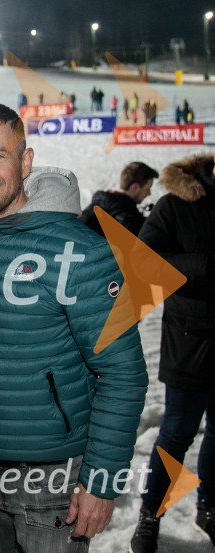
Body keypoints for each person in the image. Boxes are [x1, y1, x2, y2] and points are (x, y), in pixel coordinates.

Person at [0, 103, 148, 553]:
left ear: (26, 161)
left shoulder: (80, 252)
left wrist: (101, 482)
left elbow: (124, 373)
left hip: (53, 477)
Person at [129, 152, 215, 553]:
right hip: (190, 339)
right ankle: (150, 515)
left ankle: (209, 507)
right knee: (177, 433)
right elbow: (142, 263)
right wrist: (204, 264)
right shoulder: (175, 203)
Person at [78, 161, 159, 237]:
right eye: (148, 188)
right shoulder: (129, 219)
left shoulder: (99, 204)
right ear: (135, 188)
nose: (149, 193)